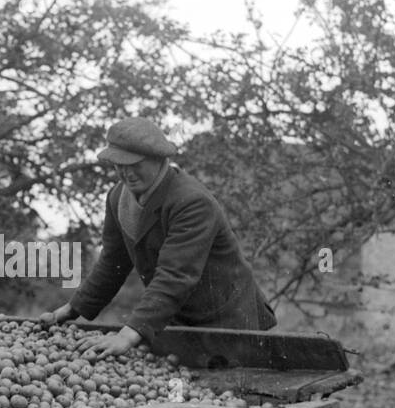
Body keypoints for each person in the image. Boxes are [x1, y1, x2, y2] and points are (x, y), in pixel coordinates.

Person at [40, 117, 276, 358]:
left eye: (134, 164)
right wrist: (73, 309)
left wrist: (127, 335)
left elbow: (175, 275)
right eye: (118, 165)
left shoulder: (192, 202)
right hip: (177, 320)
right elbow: (113, 262)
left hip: (229, 321)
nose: (126, 173)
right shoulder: (117, 198)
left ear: (158, 160)